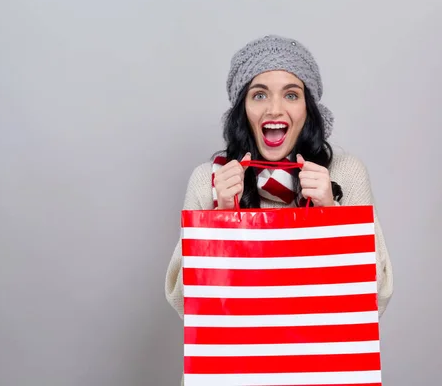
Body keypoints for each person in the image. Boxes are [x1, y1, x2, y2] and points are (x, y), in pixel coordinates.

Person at [164, 34, 393, 323]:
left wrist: (331, 216)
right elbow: (184, 303)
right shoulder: (210, 180)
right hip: (237, 362)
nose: (274, 109)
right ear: (243, 109)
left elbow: (376, 295)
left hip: (320, 362)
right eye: (259, 95)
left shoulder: (345, 174)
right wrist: (219, 220)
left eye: (291, 95)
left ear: (308, 109)